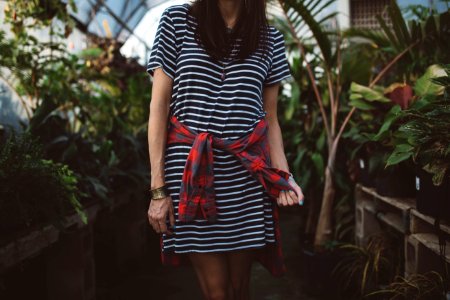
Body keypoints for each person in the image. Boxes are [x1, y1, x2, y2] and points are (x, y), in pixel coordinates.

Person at [146, 1, 304, 299]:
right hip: (191, 176)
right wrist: (158, 190)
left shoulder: (269, 37)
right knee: (217, 292)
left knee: (239, 288)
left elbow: (270, 120)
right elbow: (158, 108)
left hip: (245, 176)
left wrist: (283, 176)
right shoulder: (177, 20)